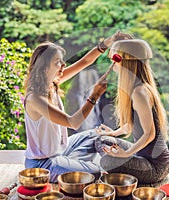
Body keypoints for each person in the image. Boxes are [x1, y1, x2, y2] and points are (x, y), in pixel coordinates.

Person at [23, 31, 131, 183]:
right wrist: (94, 96)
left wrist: (110, 41)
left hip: (62, 150)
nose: (63, 65)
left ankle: (71, 166)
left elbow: (86, 61)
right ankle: (75, 167)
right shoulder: (35, 97)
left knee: (95, 135)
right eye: (57, 62)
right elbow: (73, 122)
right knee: (94, 172)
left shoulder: (53, 83)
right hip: (43, 164)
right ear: (44, 66)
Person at [95, 39, 169, 184]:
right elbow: (132, 124)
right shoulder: (135, 88)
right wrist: (112, 133)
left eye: (116, 60)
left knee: (107, 161)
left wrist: (127, 153)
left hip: (155, 166)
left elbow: (150, 134)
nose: (113, 64)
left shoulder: (140, 92)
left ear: (127, 62)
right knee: (102, 140)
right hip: (141, 155)